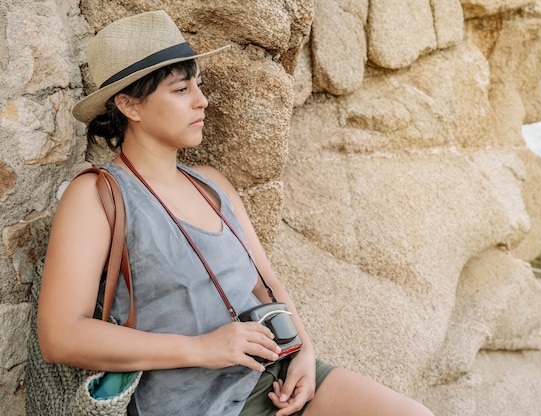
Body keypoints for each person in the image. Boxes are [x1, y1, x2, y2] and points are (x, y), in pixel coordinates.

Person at [37, 10, 435, 416]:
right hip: (187, 403)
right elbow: (59, 336)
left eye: (198, 84)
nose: (201, 99)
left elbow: (267, 283)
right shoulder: (96, 195)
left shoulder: (212, 185)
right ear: (129, 104)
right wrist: (201, 348)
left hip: (271, 377)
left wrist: (302, 350)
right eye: (180, 90)